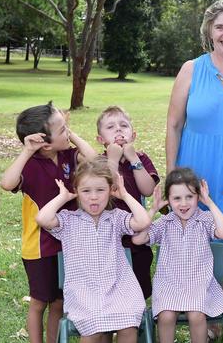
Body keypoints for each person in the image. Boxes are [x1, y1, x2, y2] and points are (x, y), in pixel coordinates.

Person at [165, 0, 223, 301]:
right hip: (196, 173)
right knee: (196, 248)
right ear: (209, 30)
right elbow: (174, 124)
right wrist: (172, 179)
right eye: (220, 27)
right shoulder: (191, 69)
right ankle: (204, 316)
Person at [0, 102, 96, 343]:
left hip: (68, 243)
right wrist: (26, 151)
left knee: (59, 302)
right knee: (39, 302)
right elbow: (7, 183)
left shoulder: (67, 154)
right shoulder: (30, 165)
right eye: (62, 129)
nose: (68, 132)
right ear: (45, 143)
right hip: (39, 247)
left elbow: (94, 159)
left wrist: (68, 134)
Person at [34, 157, 151, 342]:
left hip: (118, 288)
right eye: (86, 191)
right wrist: (61, 197)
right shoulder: (68, 220)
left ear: (111, 191)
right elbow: (42, 219)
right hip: (84, 292)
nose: (94, 196)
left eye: (100, 190)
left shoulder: (116, 218)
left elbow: (143, 221)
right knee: (92, 330)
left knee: (128, 326)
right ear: (77, 193)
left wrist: (125, 195)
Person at [132, 168, 223, 343]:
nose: (183, 203)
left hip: (199, 283)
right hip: (169, 284)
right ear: (168, 200)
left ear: (198, 197)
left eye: (189, 197)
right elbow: (139, 239)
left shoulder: (205, 219)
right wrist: (153, 209)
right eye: (176, 198)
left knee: (196, 316)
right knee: (166, 317)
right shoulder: (165, 222)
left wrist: (210, 203)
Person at [96, 105, 159, 299]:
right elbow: (106, 191)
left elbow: (147, 190)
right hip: (108, 237)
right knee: (111, 289)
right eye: (111, 127)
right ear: (101, 140)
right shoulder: (98, 162)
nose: (118, 129)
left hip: (136, 235)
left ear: (133, 135)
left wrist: (133, 158)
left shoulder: (140, 158)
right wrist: (113, 159)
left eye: (124, 125)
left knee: (139, 289)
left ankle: (137, 326)